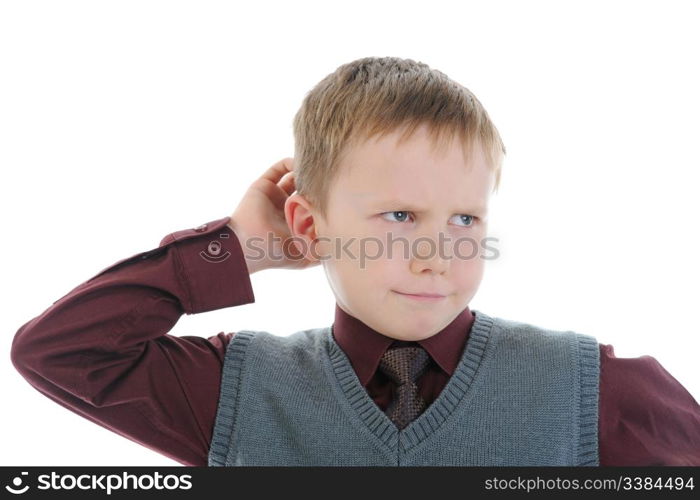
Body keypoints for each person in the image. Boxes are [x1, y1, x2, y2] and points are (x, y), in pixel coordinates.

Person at [10, 56, 700, 466]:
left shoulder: (594, 389)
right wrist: (242, 249)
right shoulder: (235, 391)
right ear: (311, 225)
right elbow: (60, 352)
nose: (437, 256)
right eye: (400, 217)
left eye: (465, 219)